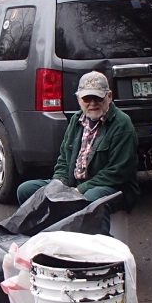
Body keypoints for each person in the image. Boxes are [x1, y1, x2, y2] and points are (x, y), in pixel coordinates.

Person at [16, 71, 140, 211]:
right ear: (79, 99)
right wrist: (58, 183)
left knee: (90, 199)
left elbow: (118, 172)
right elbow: (63, 159)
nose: (92, 103)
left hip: (111, 187)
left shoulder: (122, 123)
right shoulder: (76, 120)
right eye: (87, 99)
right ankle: (44, 231)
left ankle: (90, 232)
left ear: (109, 96)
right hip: (74, 184)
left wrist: (79, 190)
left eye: (98, 98)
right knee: (26, 190)